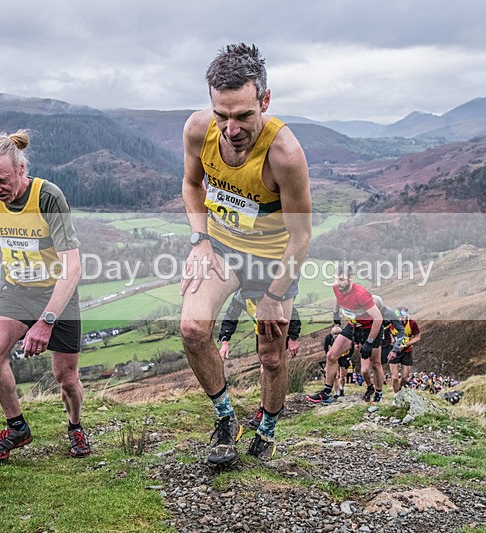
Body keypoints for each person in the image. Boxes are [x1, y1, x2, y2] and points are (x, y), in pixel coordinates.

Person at [180, 43, 311, 464]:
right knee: (193, 329)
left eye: (243, 116)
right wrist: (200, 240)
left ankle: (268, 428)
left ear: (265, 101)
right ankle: (225, 418)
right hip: (222, 247)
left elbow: (302, 237)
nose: (231, 128)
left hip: (274, 259)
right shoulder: (199, 131)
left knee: (271, 356)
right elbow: (191, 185)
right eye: (221, 115)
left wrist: (274, 298)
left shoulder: (284, 155)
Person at [0, 131, 90, 460]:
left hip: (57, 294)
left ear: (21, 169)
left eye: (2, 180)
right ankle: (17, 426)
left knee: (65, 378)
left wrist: (46, 321)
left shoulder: (48, 196)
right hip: (16, 290)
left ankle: (75, 426)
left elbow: (73, 266)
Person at [217, 289, 301, 429]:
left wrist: (293, 337)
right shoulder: (241, 296)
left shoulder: (270, 292)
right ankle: (273, 405)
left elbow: (293, 312)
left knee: (272, 367)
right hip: (261, 333)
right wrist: (225, 340)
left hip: (280, 331)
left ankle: (267, 409)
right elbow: (230, 316)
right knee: (265, 369)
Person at [307, 265, 383, 404]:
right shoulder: (337, 288)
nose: (338, 283)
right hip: (353, 325)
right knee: (331, 355)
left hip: (370, 328)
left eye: (341, 279)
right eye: (336, 279)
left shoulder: (361, 294)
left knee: (375, 364)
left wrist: (370, 341)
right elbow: (338, 298)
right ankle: (327, 393)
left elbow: (378, 318)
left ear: (350, 278)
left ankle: (378, 393)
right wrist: (335, 313)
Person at [373, 296, 406, 388]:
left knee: (378, 366)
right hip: (371, 344)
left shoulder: (388, 312)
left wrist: (395, 348)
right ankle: (373, 389)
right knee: (369, 369)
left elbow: (401, 330)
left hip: (385, 345)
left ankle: (378, 393)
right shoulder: (365, 311)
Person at [388, 306, 420, 392]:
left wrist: (406, 345)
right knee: (394, 377)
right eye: (398, 317)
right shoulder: (391, 322)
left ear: (406, 315)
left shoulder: (412, 323)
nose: (400, 319)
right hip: (393, 351)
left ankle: (400, 389)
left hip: (407, 351)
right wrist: (391, 339)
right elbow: (387, 331)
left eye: (402, 316)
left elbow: (417, 337)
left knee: (405, 378)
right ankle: (396, 395)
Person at [320, 325, 354, 400]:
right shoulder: (328, 338)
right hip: (335, 356)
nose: (336, 337)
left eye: (338, 335)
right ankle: (336, 393)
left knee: (343, 375)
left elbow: (352, 347)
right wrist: (329, 356)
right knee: (335, 376)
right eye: (335, 335)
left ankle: (341, 388)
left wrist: (348, 357)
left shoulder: (345, 337)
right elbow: (325, 347)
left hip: (345, 356)